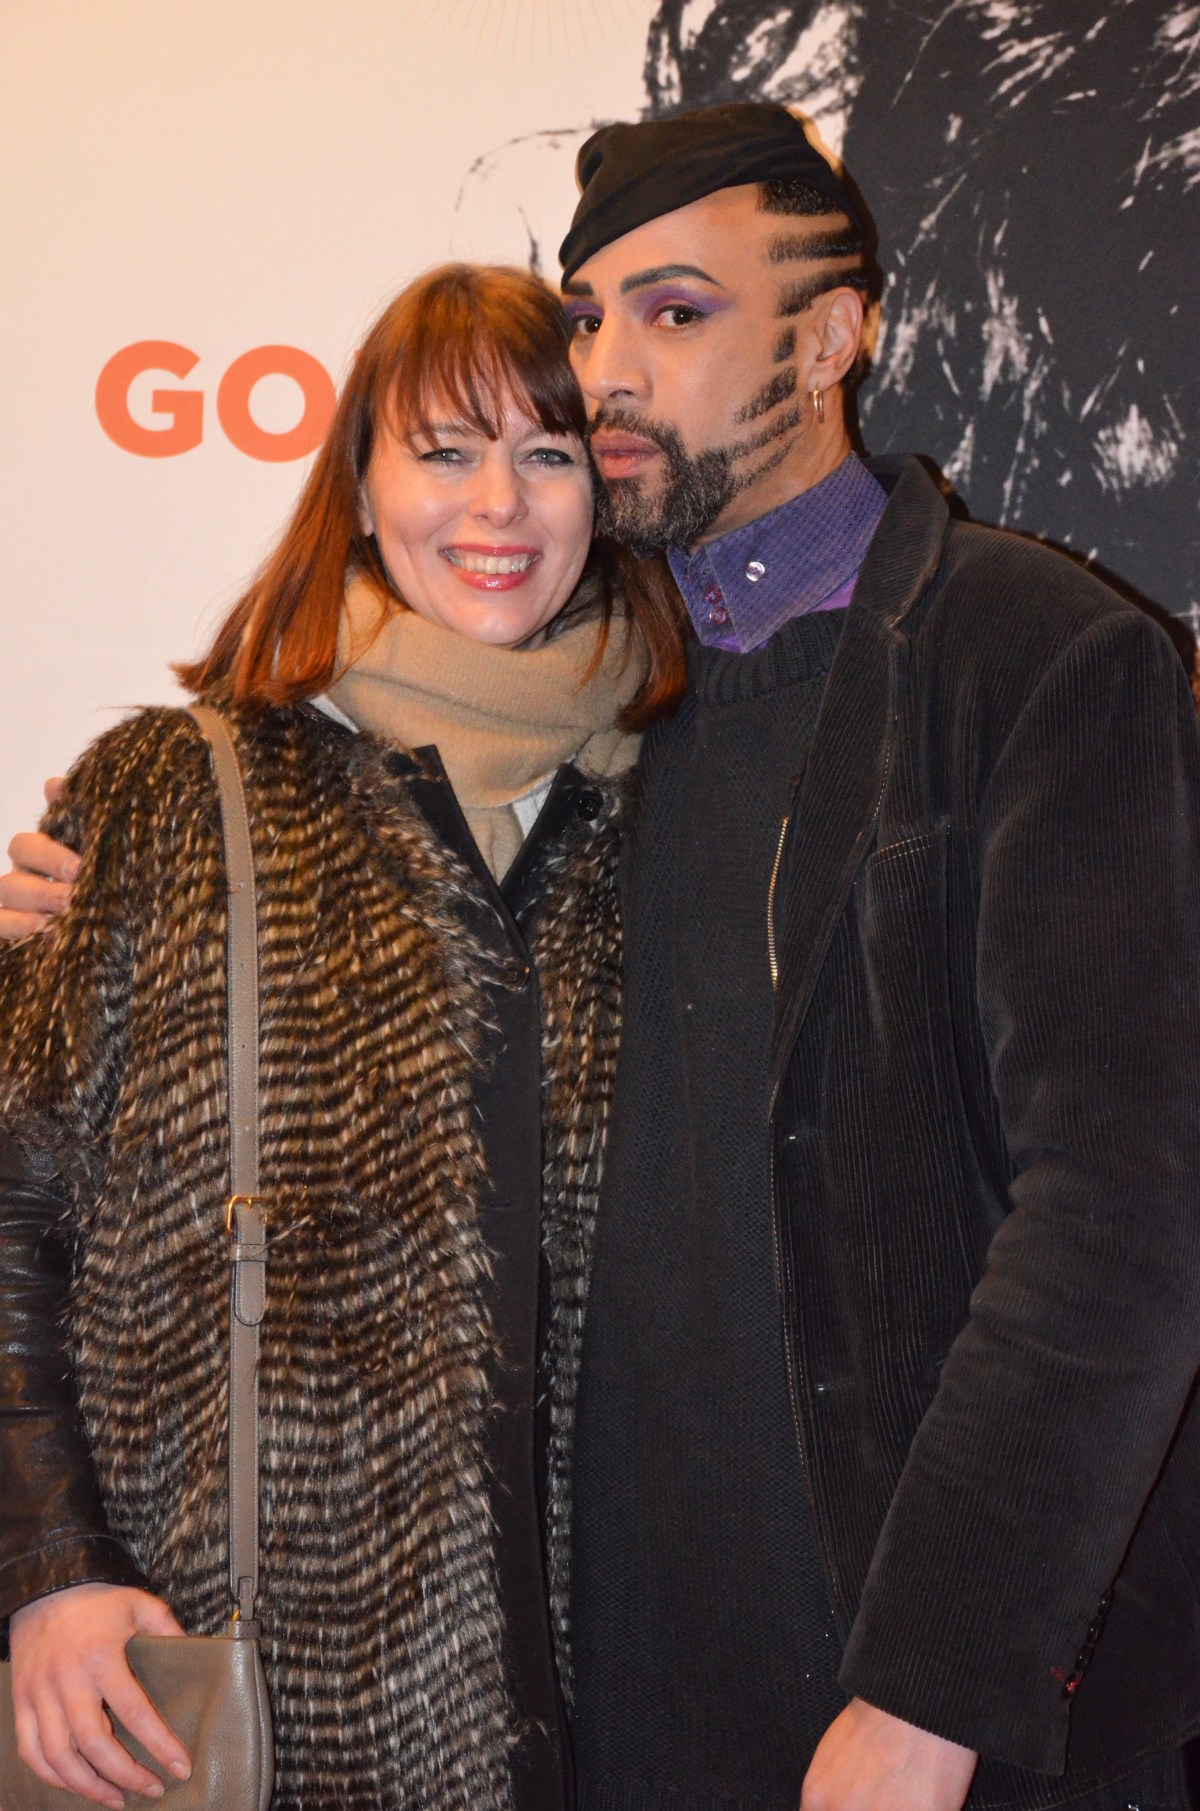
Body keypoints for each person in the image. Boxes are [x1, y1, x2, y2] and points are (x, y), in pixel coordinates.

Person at [7, 103, 1200, 1811]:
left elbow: (1124, 1213)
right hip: (611, 1717)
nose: (610, 373)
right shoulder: (612, 723)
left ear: (833, 339)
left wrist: (935, 1686)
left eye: (678, 312)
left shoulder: (1030, 656)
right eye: (586, 317)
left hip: (935, 1714)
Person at [0, 260, 684, 1811]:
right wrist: (49, 1568)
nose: (498, 504)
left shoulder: (691, 811)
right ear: (361, 489)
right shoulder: (177, 798)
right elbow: (10, 1203)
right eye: (444, 451)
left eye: (548, 452)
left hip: (644, 1698)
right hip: (261, 1696)